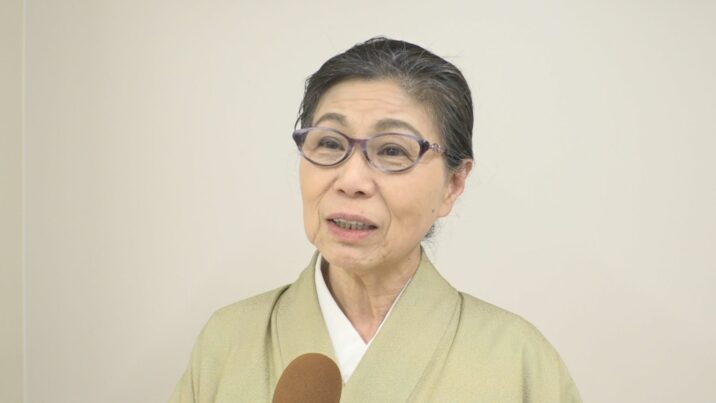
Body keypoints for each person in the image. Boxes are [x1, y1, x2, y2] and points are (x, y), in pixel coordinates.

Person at [170, 37, 582, 402]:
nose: (351, 181)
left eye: (392, 151)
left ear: (453, 184)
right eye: (330, 143)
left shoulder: (518, 362)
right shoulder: (228, 342)